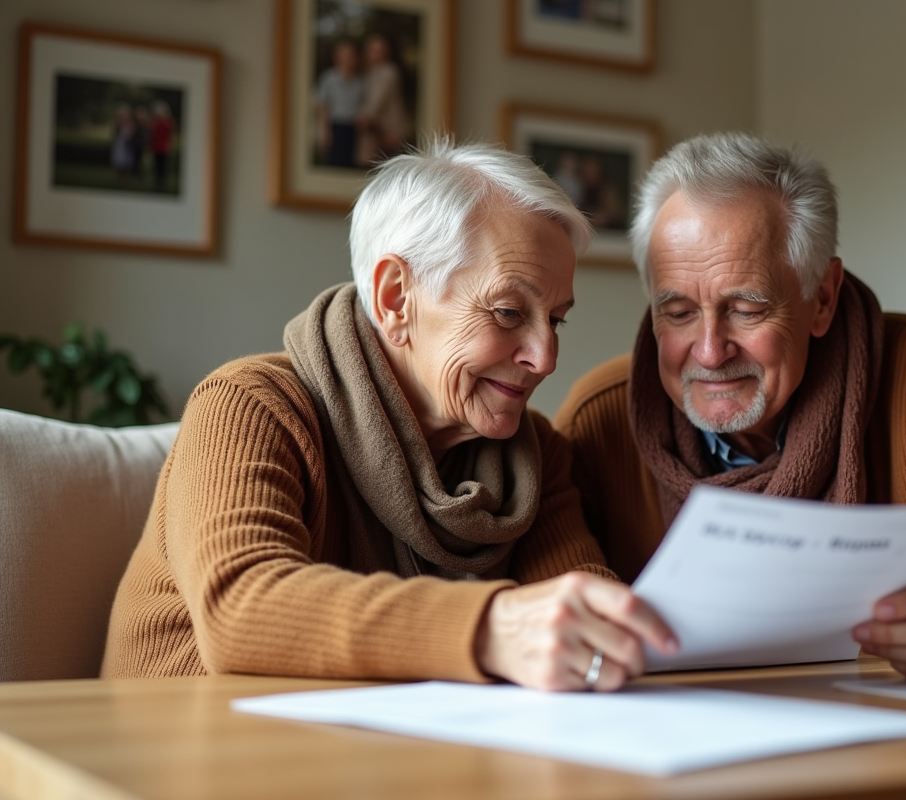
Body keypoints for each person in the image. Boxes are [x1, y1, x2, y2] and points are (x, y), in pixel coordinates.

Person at [554, 132, 906, 681]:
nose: (709, 350)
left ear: (822, 298)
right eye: (677, 312)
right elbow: (552, 603)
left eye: (747, 308)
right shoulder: (601, 416)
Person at [102, 139, 677, 691]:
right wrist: (491, 628)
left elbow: (577, 602)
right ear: (396, 298)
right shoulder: (252, 406)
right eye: (507, 312)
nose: (545, 357)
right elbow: (240, 607)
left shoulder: (535, 456)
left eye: (555, 320)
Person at [355, 33, 408, 168]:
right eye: (373, 50)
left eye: (380, 50)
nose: (376, 54)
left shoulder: (389, 71)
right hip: (375, 131)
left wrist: (365, 118)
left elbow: (377, 100)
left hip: (387, 131)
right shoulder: (369, 73)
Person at [314, 39, 363, 169]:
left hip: (353, 129)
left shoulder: (359, 81)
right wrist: (325, 130)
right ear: (337, 57)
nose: (349, 59)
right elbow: (322, 106)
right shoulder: (328, 78)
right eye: (345, 55)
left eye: (351, 55)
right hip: (335, 126)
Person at [150, 100, 175, 191]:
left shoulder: (167, 122)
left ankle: (163, 184)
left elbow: (169, 134)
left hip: (164, 149)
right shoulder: (156, 122)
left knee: (163, 167)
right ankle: (157, 183)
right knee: (157, 167)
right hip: (157, 148)